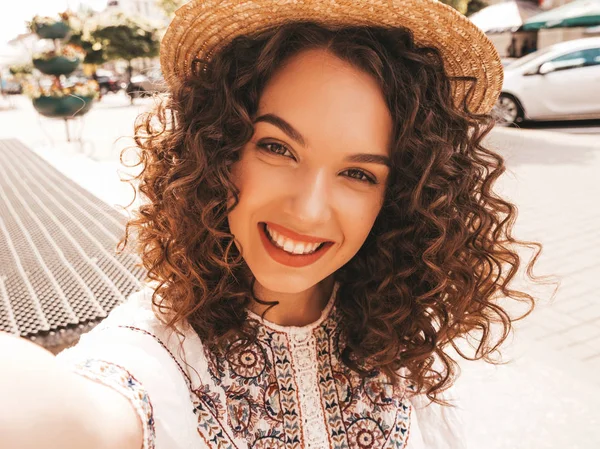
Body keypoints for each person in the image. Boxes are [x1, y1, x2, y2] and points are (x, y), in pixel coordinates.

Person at [1, 1, 549, 448]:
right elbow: (74, 417)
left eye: (358, 173)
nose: (309, 210)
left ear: (400, 196)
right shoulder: (155, 354)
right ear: (219, 147)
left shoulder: (391, 325)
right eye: (277, 147)